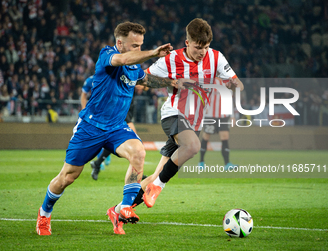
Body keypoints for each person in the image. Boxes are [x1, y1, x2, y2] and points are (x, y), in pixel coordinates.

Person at [36, 21, 177, 236]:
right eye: (134, 45)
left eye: (141, 45)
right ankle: (44, 213)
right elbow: (124, 58)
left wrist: (172, 82)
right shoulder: (108, 56)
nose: (138, 49)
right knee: (67, 177)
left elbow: (146, 79)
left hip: (116, 127)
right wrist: (153, 52)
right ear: (119, 43)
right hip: (91, 127)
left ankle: (124, 208)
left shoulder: (133, 66)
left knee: (138, 152)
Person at [141, 18, 244, 208]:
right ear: (187, 43)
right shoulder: (172, 59)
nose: (202, 52)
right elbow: (143, 79)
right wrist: (170, 82)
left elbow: (238, 85)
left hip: (194, 123)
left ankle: (121, 208)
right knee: (193, 146)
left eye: (205, 47)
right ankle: (158, 186)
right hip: (173, 113)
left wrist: (231, 85)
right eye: (197, 47)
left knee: (159, 171)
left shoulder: (216, 58)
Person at [198, 77, 238, 170]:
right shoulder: (209, 81)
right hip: (210, 115)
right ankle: (201, 162)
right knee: (206, 136)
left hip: (223, 115)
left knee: (225, 137)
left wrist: (232, 116)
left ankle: (227, 164)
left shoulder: (227, 82)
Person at [80, 75, 112, 178]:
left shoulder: (109, 78)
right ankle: (99, 160)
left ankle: (101, 158)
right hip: (93, 114)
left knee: (108, 135)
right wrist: (84, 109)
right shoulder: (90, 80)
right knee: (96, 136)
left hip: (107, 113)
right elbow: (83, 95)